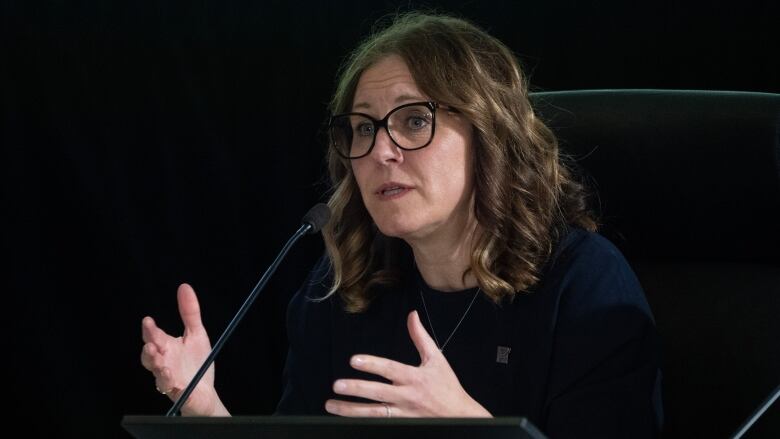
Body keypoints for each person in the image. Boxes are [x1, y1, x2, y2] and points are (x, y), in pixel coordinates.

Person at [140, 12, 663, 437]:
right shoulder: (342, 287)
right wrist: (204, 409)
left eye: (414, 120)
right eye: (363, 128)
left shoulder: (585, 284)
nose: (381, 151)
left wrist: (470, 428)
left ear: (490, 136)